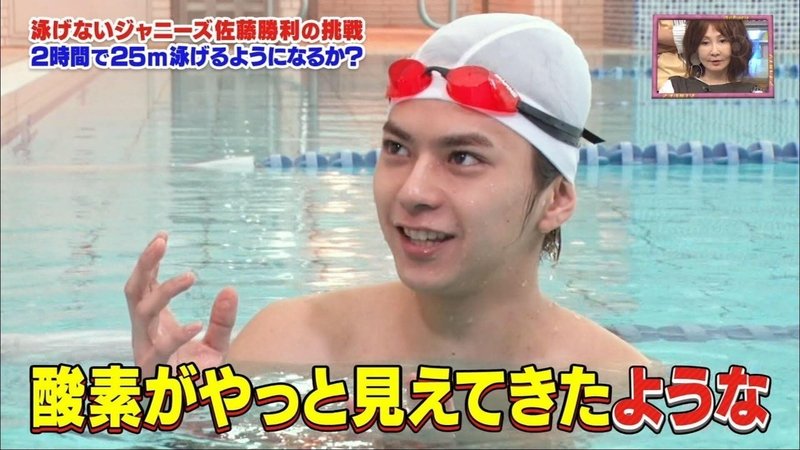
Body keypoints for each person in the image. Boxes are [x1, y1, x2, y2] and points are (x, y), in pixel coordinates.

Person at [125, 14, 652, 385]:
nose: (412, 191)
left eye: (463, 157)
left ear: (556, 199)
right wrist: (181, 420)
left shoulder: (619, 388)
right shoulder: (291, 347)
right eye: (397, 149)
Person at [659, 19, 758, 94]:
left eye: (722, 41)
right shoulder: (673, 88)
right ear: (695, 48)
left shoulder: (752, 92)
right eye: (705, 42)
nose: (714, 51)